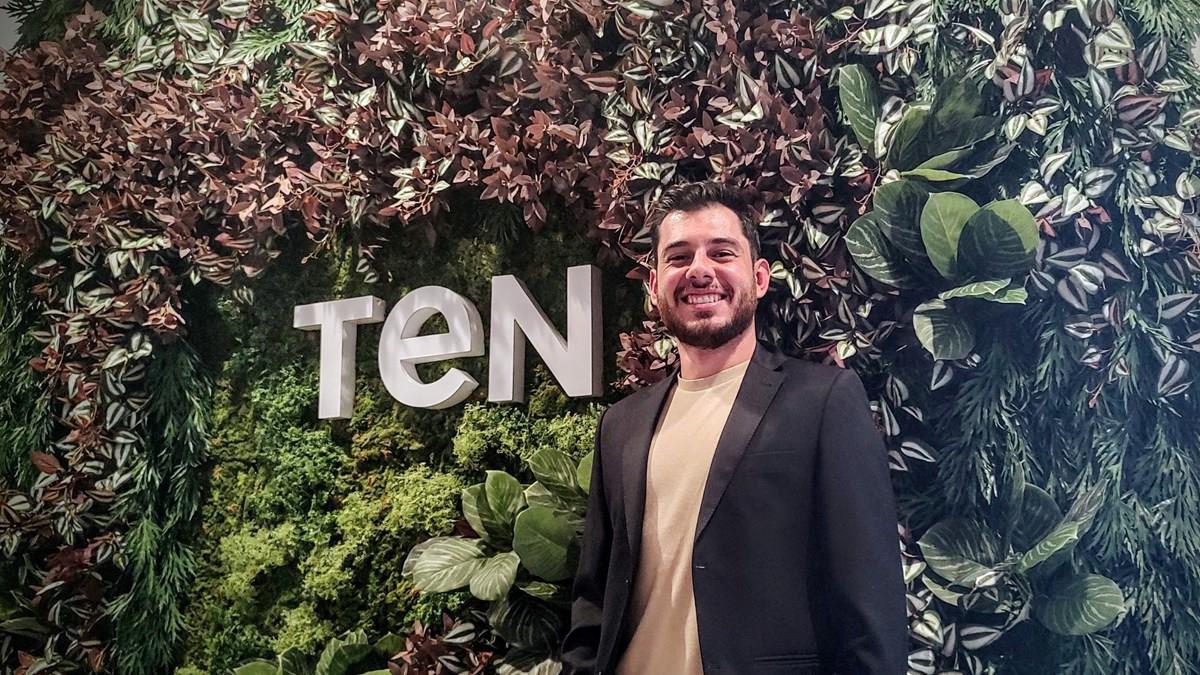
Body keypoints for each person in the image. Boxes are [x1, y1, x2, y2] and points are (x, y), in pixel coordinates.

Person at [560, 181, 907, 674]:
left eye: (721, 253)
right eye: (679, 257)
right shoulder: (621, 425)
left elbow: (870, 608)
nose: (699, 270)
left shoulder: (823, 403)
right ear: (655, 284)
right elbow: (594, 597)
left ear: (759, 278)